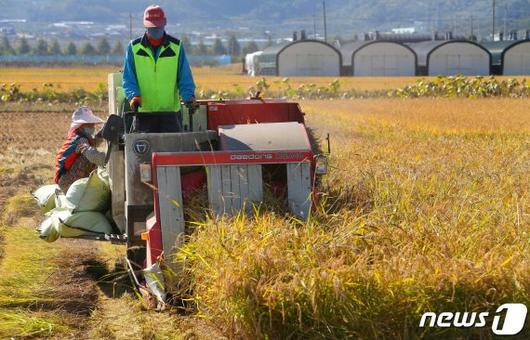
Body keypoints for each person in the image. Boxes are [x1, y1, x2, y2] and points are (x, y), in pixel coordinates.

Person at [122, 4, 196, 133]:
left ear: (164, 23)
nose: (155, 29)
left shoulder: (176, 47)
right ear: (145, 25)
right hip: (144, 112)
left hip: (170, 113)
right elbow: (129, 77)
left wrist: (188, 96)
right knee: (144, 152)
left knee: (172, 152)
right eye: (152, 26)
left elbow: (184, 76)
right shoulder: (134, 48)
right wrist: (133, 96)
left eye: (158, 25)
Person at [54, 106, 106, 193]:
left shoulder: (78, 136)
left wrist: (103, 133)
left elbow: (94, 142)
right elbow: (92, 155)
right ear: (81, 126)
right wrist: (108, 160)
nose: (92, 127)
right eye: (89, 124)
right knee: (88, 157)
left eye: (92, 124)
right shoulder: (80, 139)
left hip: (65, 178)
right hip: (67, 182)